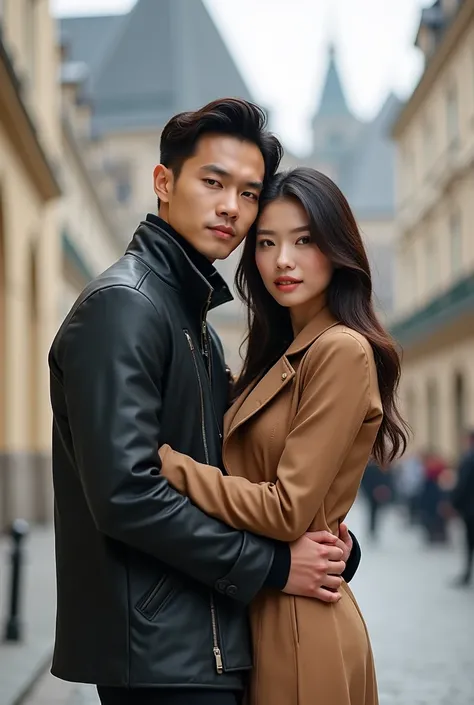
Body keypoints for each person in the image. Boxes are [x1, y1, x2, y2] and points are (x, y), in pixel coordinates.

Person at [48, 100, 361, 705]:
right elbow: (126, 494)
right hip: (159, 652)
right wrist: (273, 566)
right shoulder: (124, 306)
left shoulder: (195, 322)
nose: (231, 208)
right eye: (213, 182)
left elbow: (227, 475)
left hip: (209, 640)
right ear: (164, 182)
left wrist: (323, 546)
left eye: (248, 193)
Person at [158, 167, 409, 705]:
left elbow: (287, 509)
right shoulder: (281, 354)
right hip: (261, 607)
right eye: (267, 243)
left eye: (303, 241)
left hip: (301, 624)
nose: (282, 261)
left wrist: (171, 467)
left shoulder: (341, 351)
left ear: (337, 247)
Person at [451, 429, 474, 586]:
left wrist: (454, 504)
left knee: (469, 542)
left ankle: (467, 575)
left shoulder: (469, 459)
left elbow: (463, 485)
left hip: (470, 510)